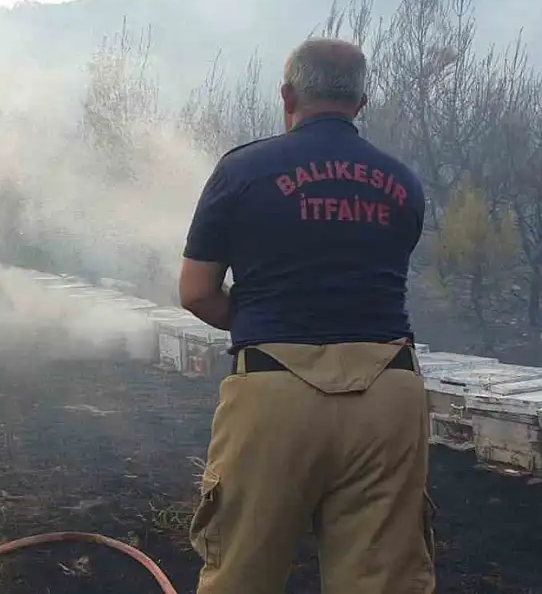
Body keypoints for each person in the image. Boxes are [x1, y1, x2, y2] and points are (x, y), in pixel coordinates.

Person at [178, 38, 434, 594]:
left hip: (274, 392)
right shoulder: (404, 182)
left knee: (242, 573)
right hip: (389, 393)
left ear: (287, 95)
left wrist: (265, 318)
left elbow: (196, 292)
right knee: (383, 580)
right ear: (360, 104)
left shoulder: (242, 170)